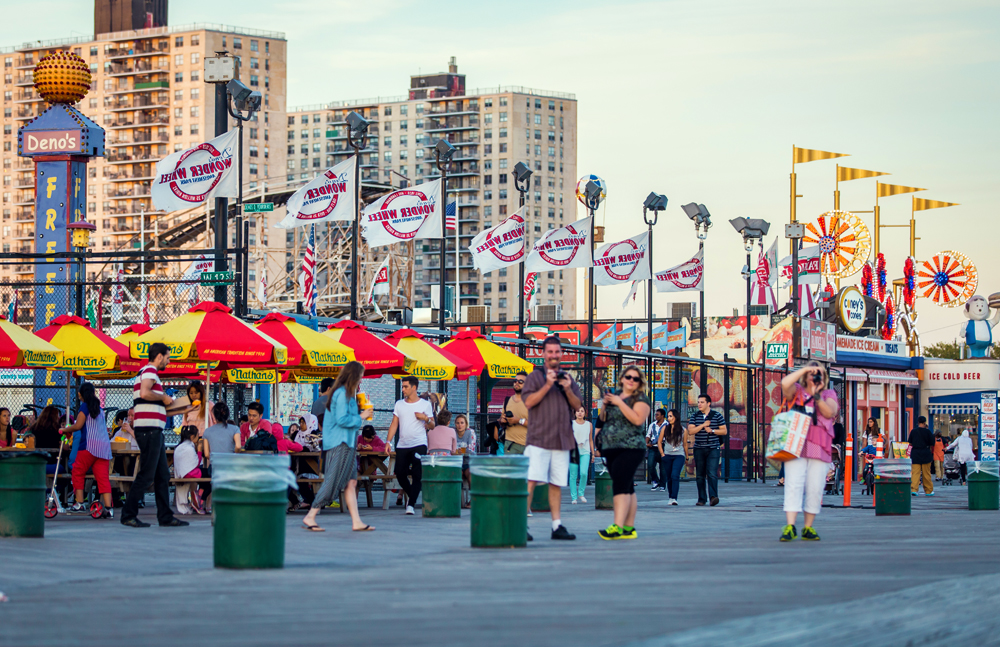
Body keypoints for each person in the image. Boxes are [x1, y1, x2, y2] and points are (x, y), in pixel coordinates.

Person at [121, 342, 189, 528]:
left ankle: (165, 516)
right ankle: (128, 514)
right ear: (159, 356)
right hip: (150, 431)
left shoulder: (145, 372)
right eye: (167, 357)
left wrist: (186, 408)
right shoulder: (150, 372)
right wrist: (164, 397)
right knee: (147, 474)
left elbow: (158, 409)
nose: (168, 361)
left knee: (162, 475)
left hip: (152, 429)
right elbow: (145, 392)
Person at [522, 336, 582, 541]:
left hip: (561, 440)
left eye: (557, 352)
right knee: (531, 480)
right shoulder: (535, 377)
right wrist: (547, 385)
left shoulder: (568, 378)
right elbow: (529, 402)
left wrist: (566, 388)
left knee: (556, 484)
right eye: (550, 352)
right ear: (543, 354)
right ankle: (520, 524)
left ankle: (557, 526)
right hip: (538, 439)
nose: (554, 355)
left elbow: (577, 406)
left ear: (561, 353)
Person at [302, 360, 373, 532]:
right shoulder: (342, 394)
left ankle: (356, 521)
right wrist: (361, 417)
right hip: (339, 443)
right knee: (332, 482)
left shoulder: (345, 394)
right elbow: (342, 420)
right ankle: (311, 515)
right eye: (360, 376)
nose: (361, 380)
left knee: (351, 483)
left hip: (346, 443)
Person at [778, 362, 838, 541]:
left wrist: (817, 395)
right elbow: (784, 384)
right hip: (796, 443)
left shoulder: (828, 394)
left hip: (819, 445)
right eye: (812, 373)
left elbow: (829, 412)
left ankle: (808, 527)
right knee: (793, 484)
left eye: (818, 373)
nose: (814, 376)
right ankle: (790, 525)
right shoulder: (796, 391)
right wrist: (804, 370)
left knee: (815, 486)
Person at [594, 365, 651, 540]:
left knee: (620, 484)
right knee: (627, 486)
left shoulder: (641, 399)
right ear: (622, 379)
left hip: (632, 447)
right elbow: (603, 419)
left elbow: (637, 419)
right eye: (628, 377)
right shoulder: (616, 395)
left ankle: (617, 526)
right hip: (611, 447)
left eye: (635, 378)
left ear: (640, 382)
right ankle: (628, 528)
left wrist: (619, 403)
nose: (631, 381)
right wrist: (605, 405)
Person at [59, 382, 114, 519]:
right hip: (103, 448)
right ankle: (108, 508)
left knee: (77, 470)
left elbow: (78, 426)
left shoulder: (84, 407)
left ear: (80, 394)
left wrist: (65, 429)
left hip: (89, 446)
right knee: (103, 478)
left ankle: (79, 503)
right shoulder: (99, 408)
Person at [386, 376, 434, 514]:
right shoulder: (399, 404)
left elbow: (432, 425)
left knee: (417, 474)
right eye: (402, 386)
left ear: (414, 387)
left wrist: (425, 418)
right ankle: (412, 494)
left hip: (419, 443)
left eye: (405, 386)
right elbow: (394, 423)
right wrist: (388, 442)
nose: (403, 389)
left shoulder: (425, 404)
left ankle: (411, 504)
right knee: (400, 473)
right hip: (402, 444)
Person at [687, 393, 727, 506]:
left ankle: (713, 497)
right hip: (699, 448)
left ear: (708, 403)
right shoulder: (695, 416)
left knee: (712, 473)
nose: (699, 404)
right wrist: (703, 425)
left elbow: (724, 431)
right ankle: (701, 499)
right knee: (699, 474)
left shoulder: (717, 415)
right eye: (698, 402)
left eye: (702, 402)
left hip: (713, 448)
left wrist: (713, 431)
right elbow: (691, 431)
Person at [173, 426, 206, 515]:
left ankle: (197, 497)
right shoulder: (189, 448)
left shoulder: (180, 446)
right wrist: (199, 451)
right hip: (190, 474)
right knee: (209, 475)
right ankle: (199, 498)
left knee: (206, 474)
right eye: (197, 435)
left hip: (181, 473)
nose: (198, 437)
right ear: (192, 437)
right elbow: (196, 463)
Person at [657, 409, 686, 505]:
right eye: (668, 416)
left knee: (675, 475)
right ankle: (670, 497)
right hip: (667, 455)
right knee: (669, 477)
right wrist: (662, 454)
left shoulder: (683, 430)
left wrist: (687, 456)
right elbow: (659, 442)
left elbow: (685, 444)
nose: (669, 418)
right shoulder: (665, 428)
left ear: (676, 417)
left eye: (671, 416)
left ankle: (674, 498)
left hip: (679, 455)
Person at [501, 371, 529, 454]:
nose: (517, 383)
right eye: (515, 381)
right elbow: (501, 420)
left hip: (529, 446)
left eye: (520, 381)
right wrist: (502, 421)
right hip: (511, 445)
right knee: (510, 467)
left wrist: (518, 420)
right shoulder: (507, 400)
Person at [29, 405, 63, 474]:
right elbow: (65, 447)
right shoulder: (57, 429)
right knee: (64, 470)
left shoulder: (34, 428)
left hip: (38, 462)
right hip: (52, 463)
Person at [569, 407, 593, 504]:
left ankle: (581, 494)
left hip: (585, 451)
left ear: (585, 413)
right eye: (578, 411)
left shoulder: (589, 425)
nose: (580, 413)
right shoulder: (571, 424)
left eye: (582, 411)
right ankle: (574, 497)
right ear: (575, 413)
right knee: (573, 475)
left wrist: (593, 453)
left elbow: (590, 439)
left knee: (584, 473)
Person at [908, 416, 935, 496]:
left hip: (915, 453)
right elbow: (932, 443)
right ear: (924, 423)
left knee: (915, 473)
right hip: (926, 453)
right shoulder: (928, 432)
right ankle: (928, 491)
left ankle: (914, 489)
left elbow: (910, 443)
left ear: (918, 422)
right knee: (926, 473)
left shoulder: (913, 431)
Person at [455, 414, 476, 507]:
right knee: (456, 474)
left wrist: (458, 450)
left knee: (470, 474)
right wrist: (457, 451)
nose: (460, 425)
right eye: (458, 423)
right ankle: (458, 499)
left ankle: (473, 499)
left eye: (462, 423)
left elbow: (471, 448)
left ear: (466, 424)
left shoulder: (470, 432)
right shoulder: (452, 432)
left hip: (469, 461)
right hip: (457, 462)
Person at [646, 408, 667, 491]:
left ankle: (662, 484)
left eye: (657, 415)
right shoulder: (652, 425)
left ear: (662, 416)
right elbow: (648, 435)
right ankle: (655, 480)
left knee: (663, 467)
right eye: (655, 415)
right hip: (653, 447)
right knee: (650, 465)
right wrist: (646, 443)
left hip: (663, 446)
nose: (656, 416)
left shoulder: (667, 425)